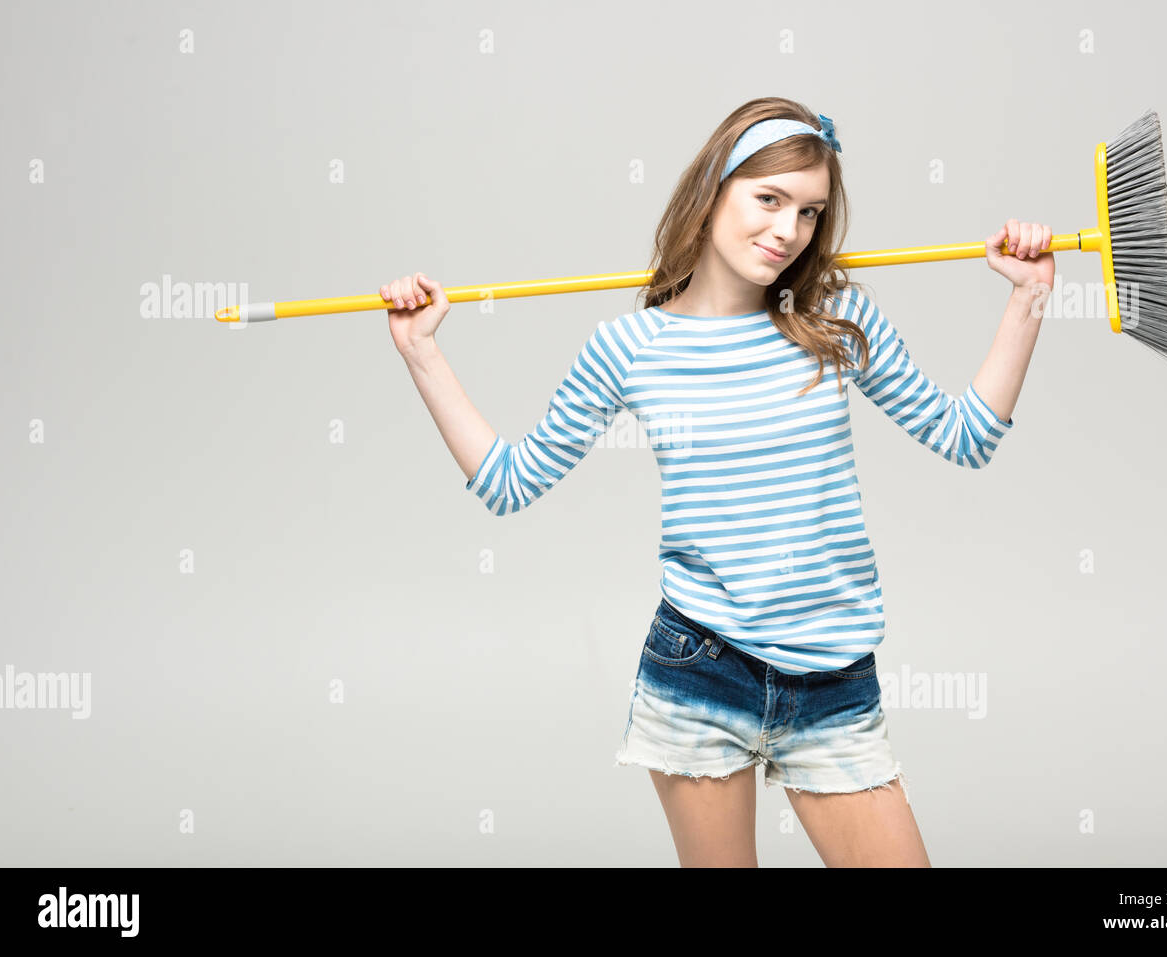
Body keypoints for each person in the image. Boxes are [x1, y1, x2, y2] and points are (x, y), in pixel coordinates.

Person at [380, 97, 1053, 867]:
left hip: (833, 677)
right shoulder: (630, 345)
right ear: (714, 189)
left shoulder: (833, 316)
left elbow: (964, 437)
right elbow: (507, 481)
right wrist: (421, 352)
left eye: (808, 212)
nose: (786, 231)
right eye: (768, 199)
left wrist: (1028, 299)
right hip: (700, 670)